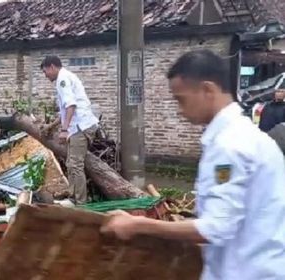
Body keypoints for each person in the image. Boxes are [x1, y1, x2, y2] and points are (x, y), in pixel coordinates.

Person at [101, 50, 285, 280]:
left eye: (181, 99)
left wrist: (137, 224)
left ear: (208, 90)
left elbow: (215, 228)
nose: (180, 110)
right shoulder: (245, 137)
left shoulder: (230, 146)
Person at [40, 55, 99, 205]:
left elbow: (71, 105)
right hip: (79, 125)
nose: (45, 75)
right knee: (71, 163)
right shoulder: (66, 77)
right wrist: (51, 126)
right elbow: (66, 110)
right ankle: (73, 198)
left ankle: (80, 203)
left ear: (52, 67)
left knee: (75, 165)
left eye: (45, 71)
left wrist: (64, 130)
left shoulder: (62, 80)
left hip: (81, 126)